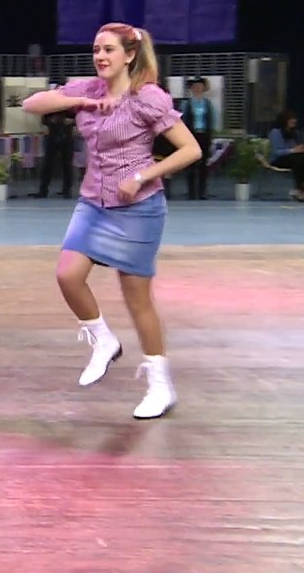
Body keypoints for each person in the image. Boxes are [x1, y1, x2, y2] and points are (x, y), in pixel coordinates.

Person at [21, 22, 201, 420]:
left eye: (109, 50)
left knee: (137, 300)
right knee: (68, 275)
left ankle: (160, 384)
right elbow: (32, 105)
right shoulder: (87, 89)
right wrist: (81, 104)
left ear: (130, 55)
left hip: (139, 209)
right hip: (93, 202)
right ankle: (103, 340)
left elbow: (190, 150)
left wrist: (142, 176)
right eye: (96, 49)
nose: (100, 56)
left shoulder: (147, 98)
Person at [179, 76, 215, 199]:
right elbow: (182, 121)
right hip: (191, 136)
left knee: (203, 165)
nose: (197, 88)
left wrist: (210, 136)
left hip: (204, 135)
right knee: (191, 164)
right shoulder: (187, 103)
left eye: (200, 86)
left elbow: (211, 120)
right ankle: (191, 191)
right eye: (195, 86)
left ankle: (202, 191)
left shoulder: (207, 104)